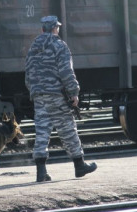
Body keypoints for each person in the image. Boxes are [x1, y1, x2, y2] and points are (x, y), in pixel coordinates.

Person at [25, 16, 97, 182]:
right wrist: (74, 92)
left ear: (42, 29)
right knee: (67, 129)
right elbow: (66, 72)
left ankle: (41, 171)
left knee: (42, 131)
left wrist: (35, 90)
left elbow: (28, 73)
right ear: (55, 29)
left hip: (39, 95)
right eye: (57, 28)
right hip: (56, 95)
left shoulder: (33, 47)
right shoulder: (59, 46)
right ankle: (79, 166)